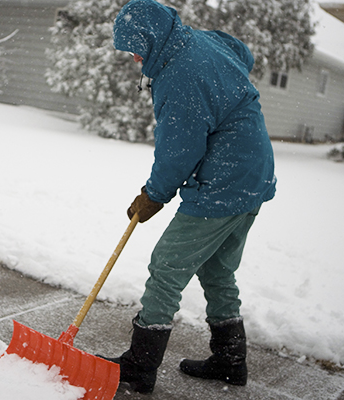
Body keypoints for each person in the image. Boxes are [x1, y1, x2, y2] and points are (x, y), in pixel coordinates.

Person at [104, 0, 277, 394]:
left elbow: (179, 149)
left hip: (224, 182)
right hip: (254, 174)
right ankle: (230, 361)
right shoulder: (197, 42)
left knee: (167, 266)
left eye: (136, 49)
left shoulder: (179, 75)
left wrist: (153, 195)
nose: (134, 59)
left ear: (150, 40)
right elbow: (240, 52)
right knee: (217, 271)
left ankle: (139, 368)